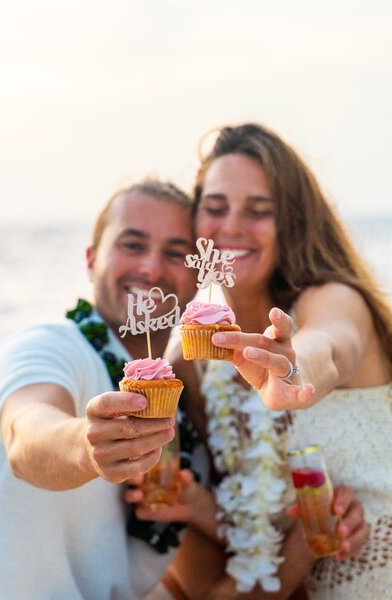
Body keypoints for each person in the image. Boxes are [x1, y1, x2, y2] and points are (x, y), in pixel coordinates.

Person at [129, 124, 389, 599]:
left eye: (259, 210)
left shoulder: (332, 299)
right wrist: (198, 507)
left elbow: (328, 347)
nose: (231, 226)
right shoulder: (195, 359)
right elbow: (255, 526)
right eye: (214, 207)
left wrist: (291, 370)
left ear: (291, 221)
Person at [0, 180, 205, 600]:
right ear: (91, 260)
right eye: (132, 244)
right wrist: (89, 446)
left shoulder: (184, 408)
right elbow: (26, 432)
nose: (151, 268)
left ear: (198, 277)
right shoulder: (50, 345)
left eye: (175, 252)